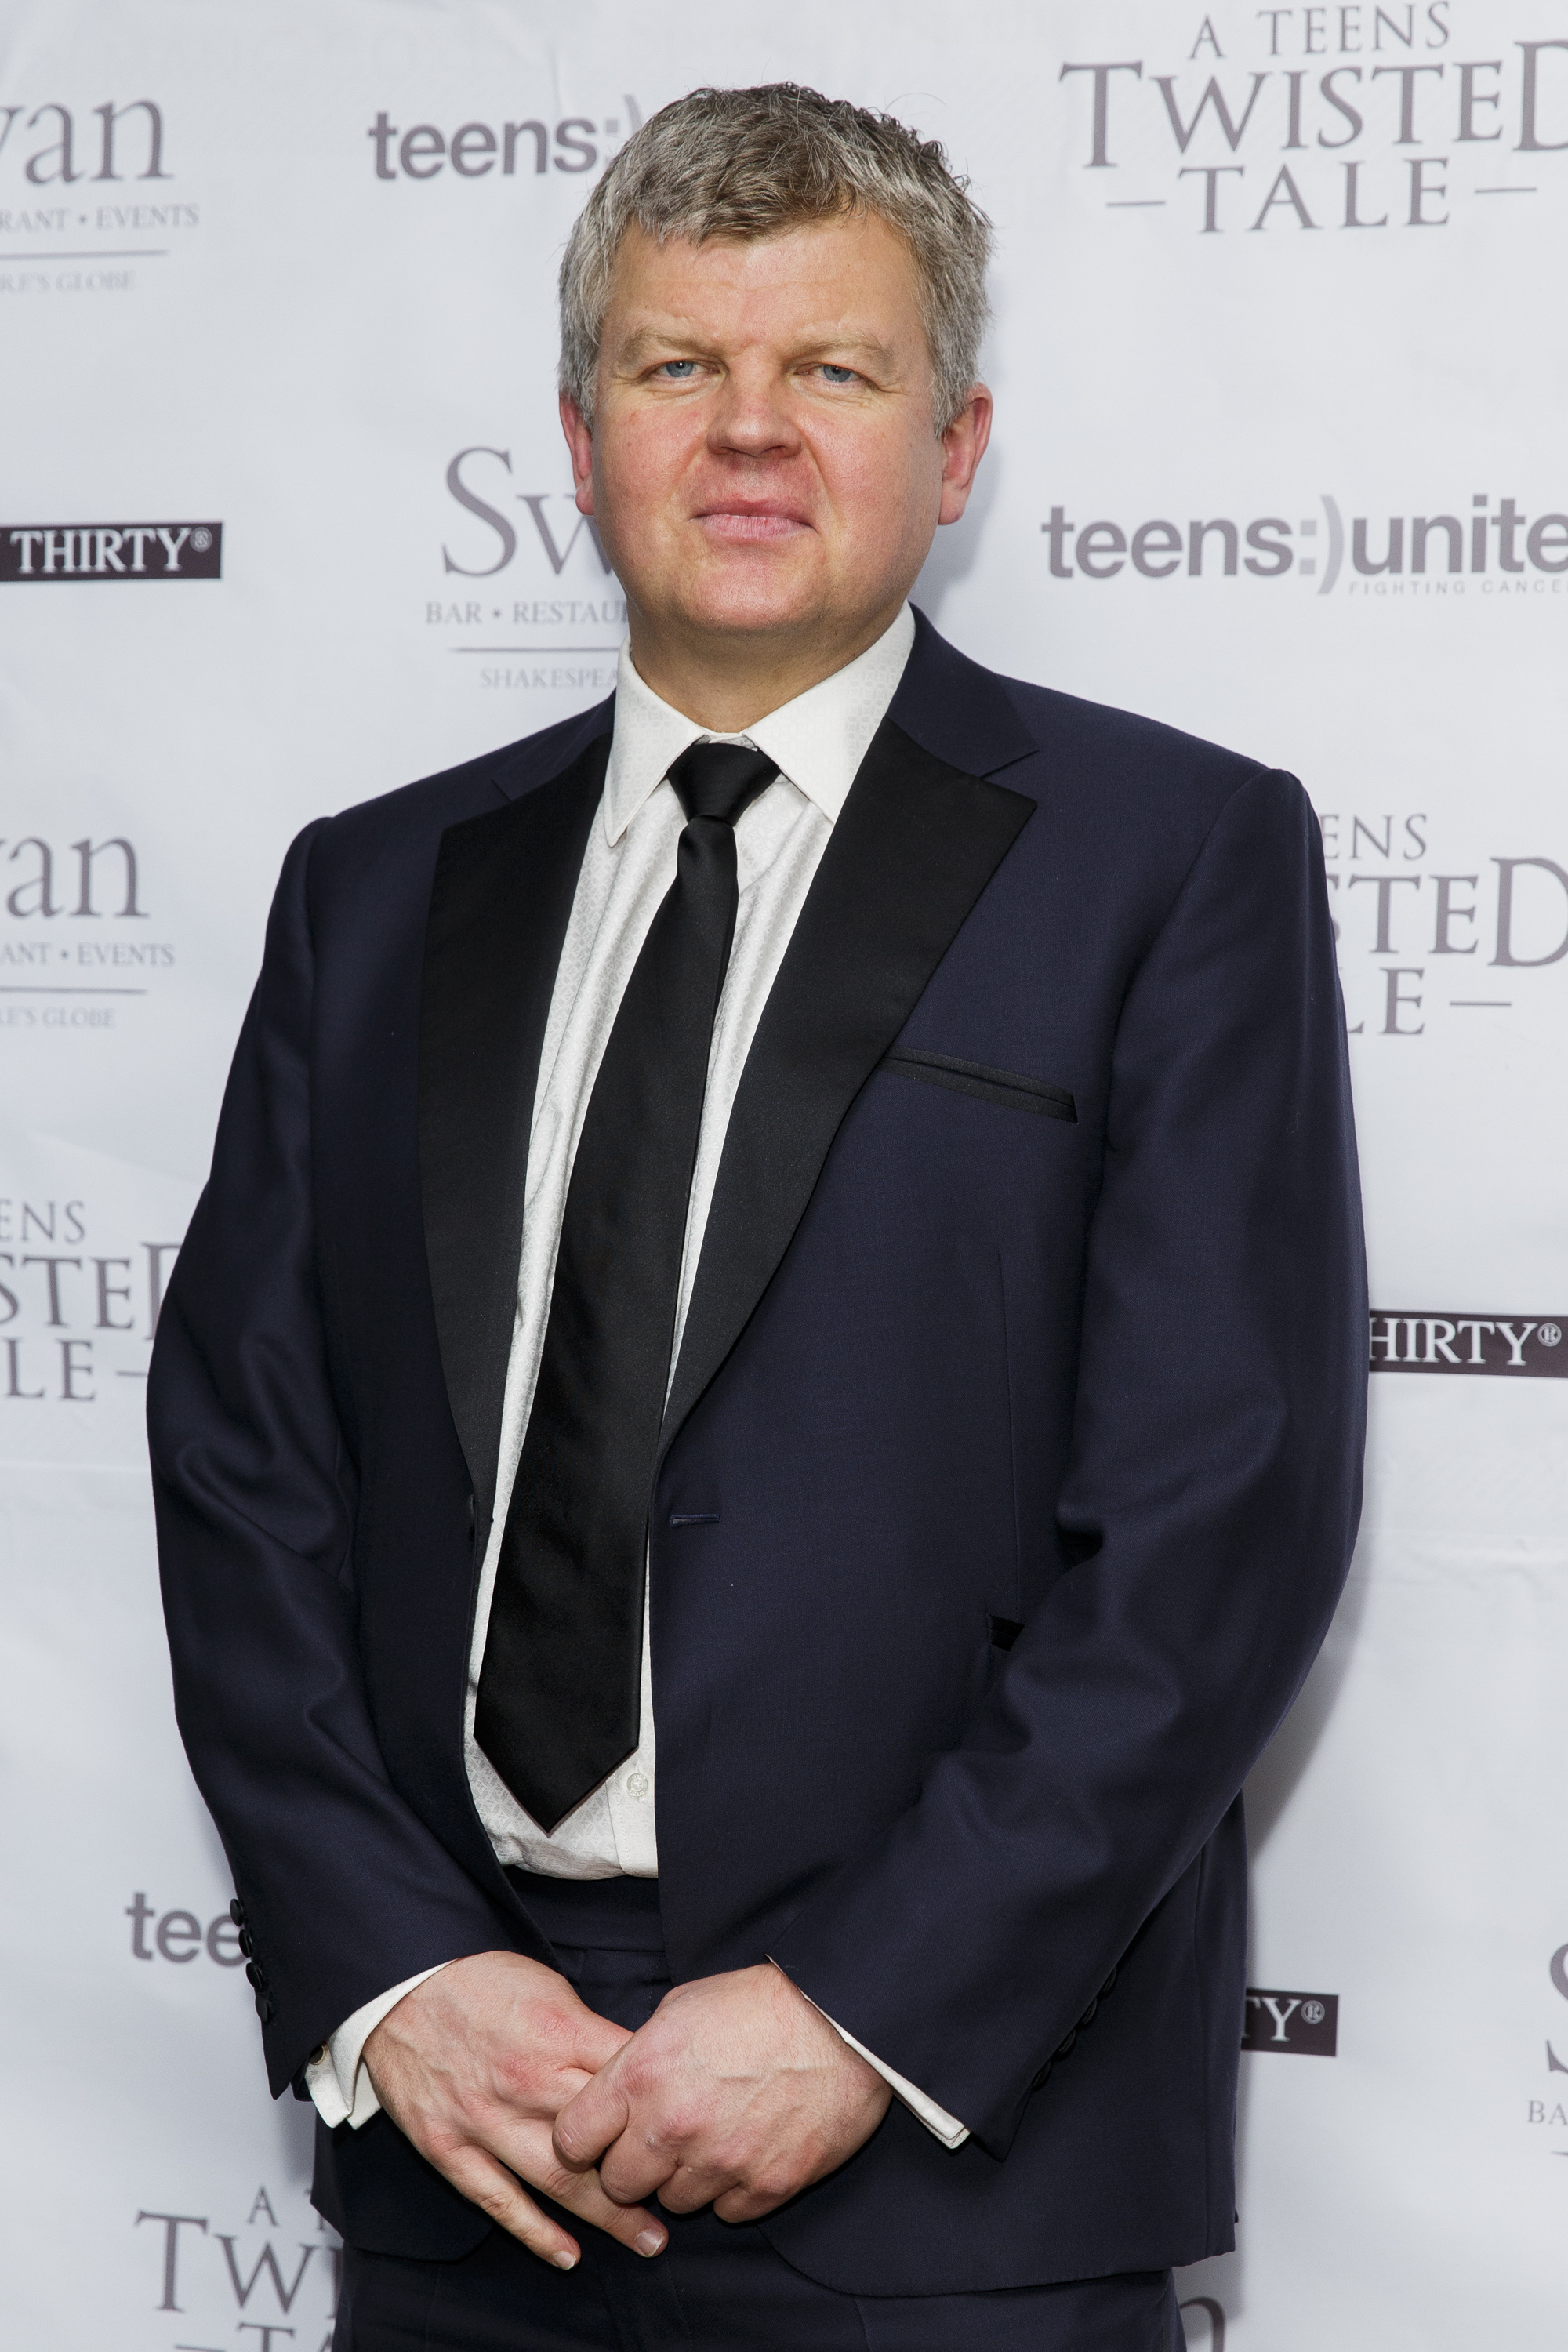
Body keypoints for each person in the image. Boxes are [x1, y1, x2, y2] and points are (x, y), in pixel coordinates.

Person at [149, 82, 1367, 2352]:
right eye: (677, 364)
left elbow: (1224, 1523)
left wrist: (862, 2011)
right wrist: (400, 1974)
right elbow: (242, 1479)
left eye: (835, 368)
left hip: (945, 2164)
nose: (748, 433)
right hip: (465, 2152)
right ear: (579, 426)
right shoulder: (372, 890)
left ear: (960, 438)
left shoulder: (1171, 864)